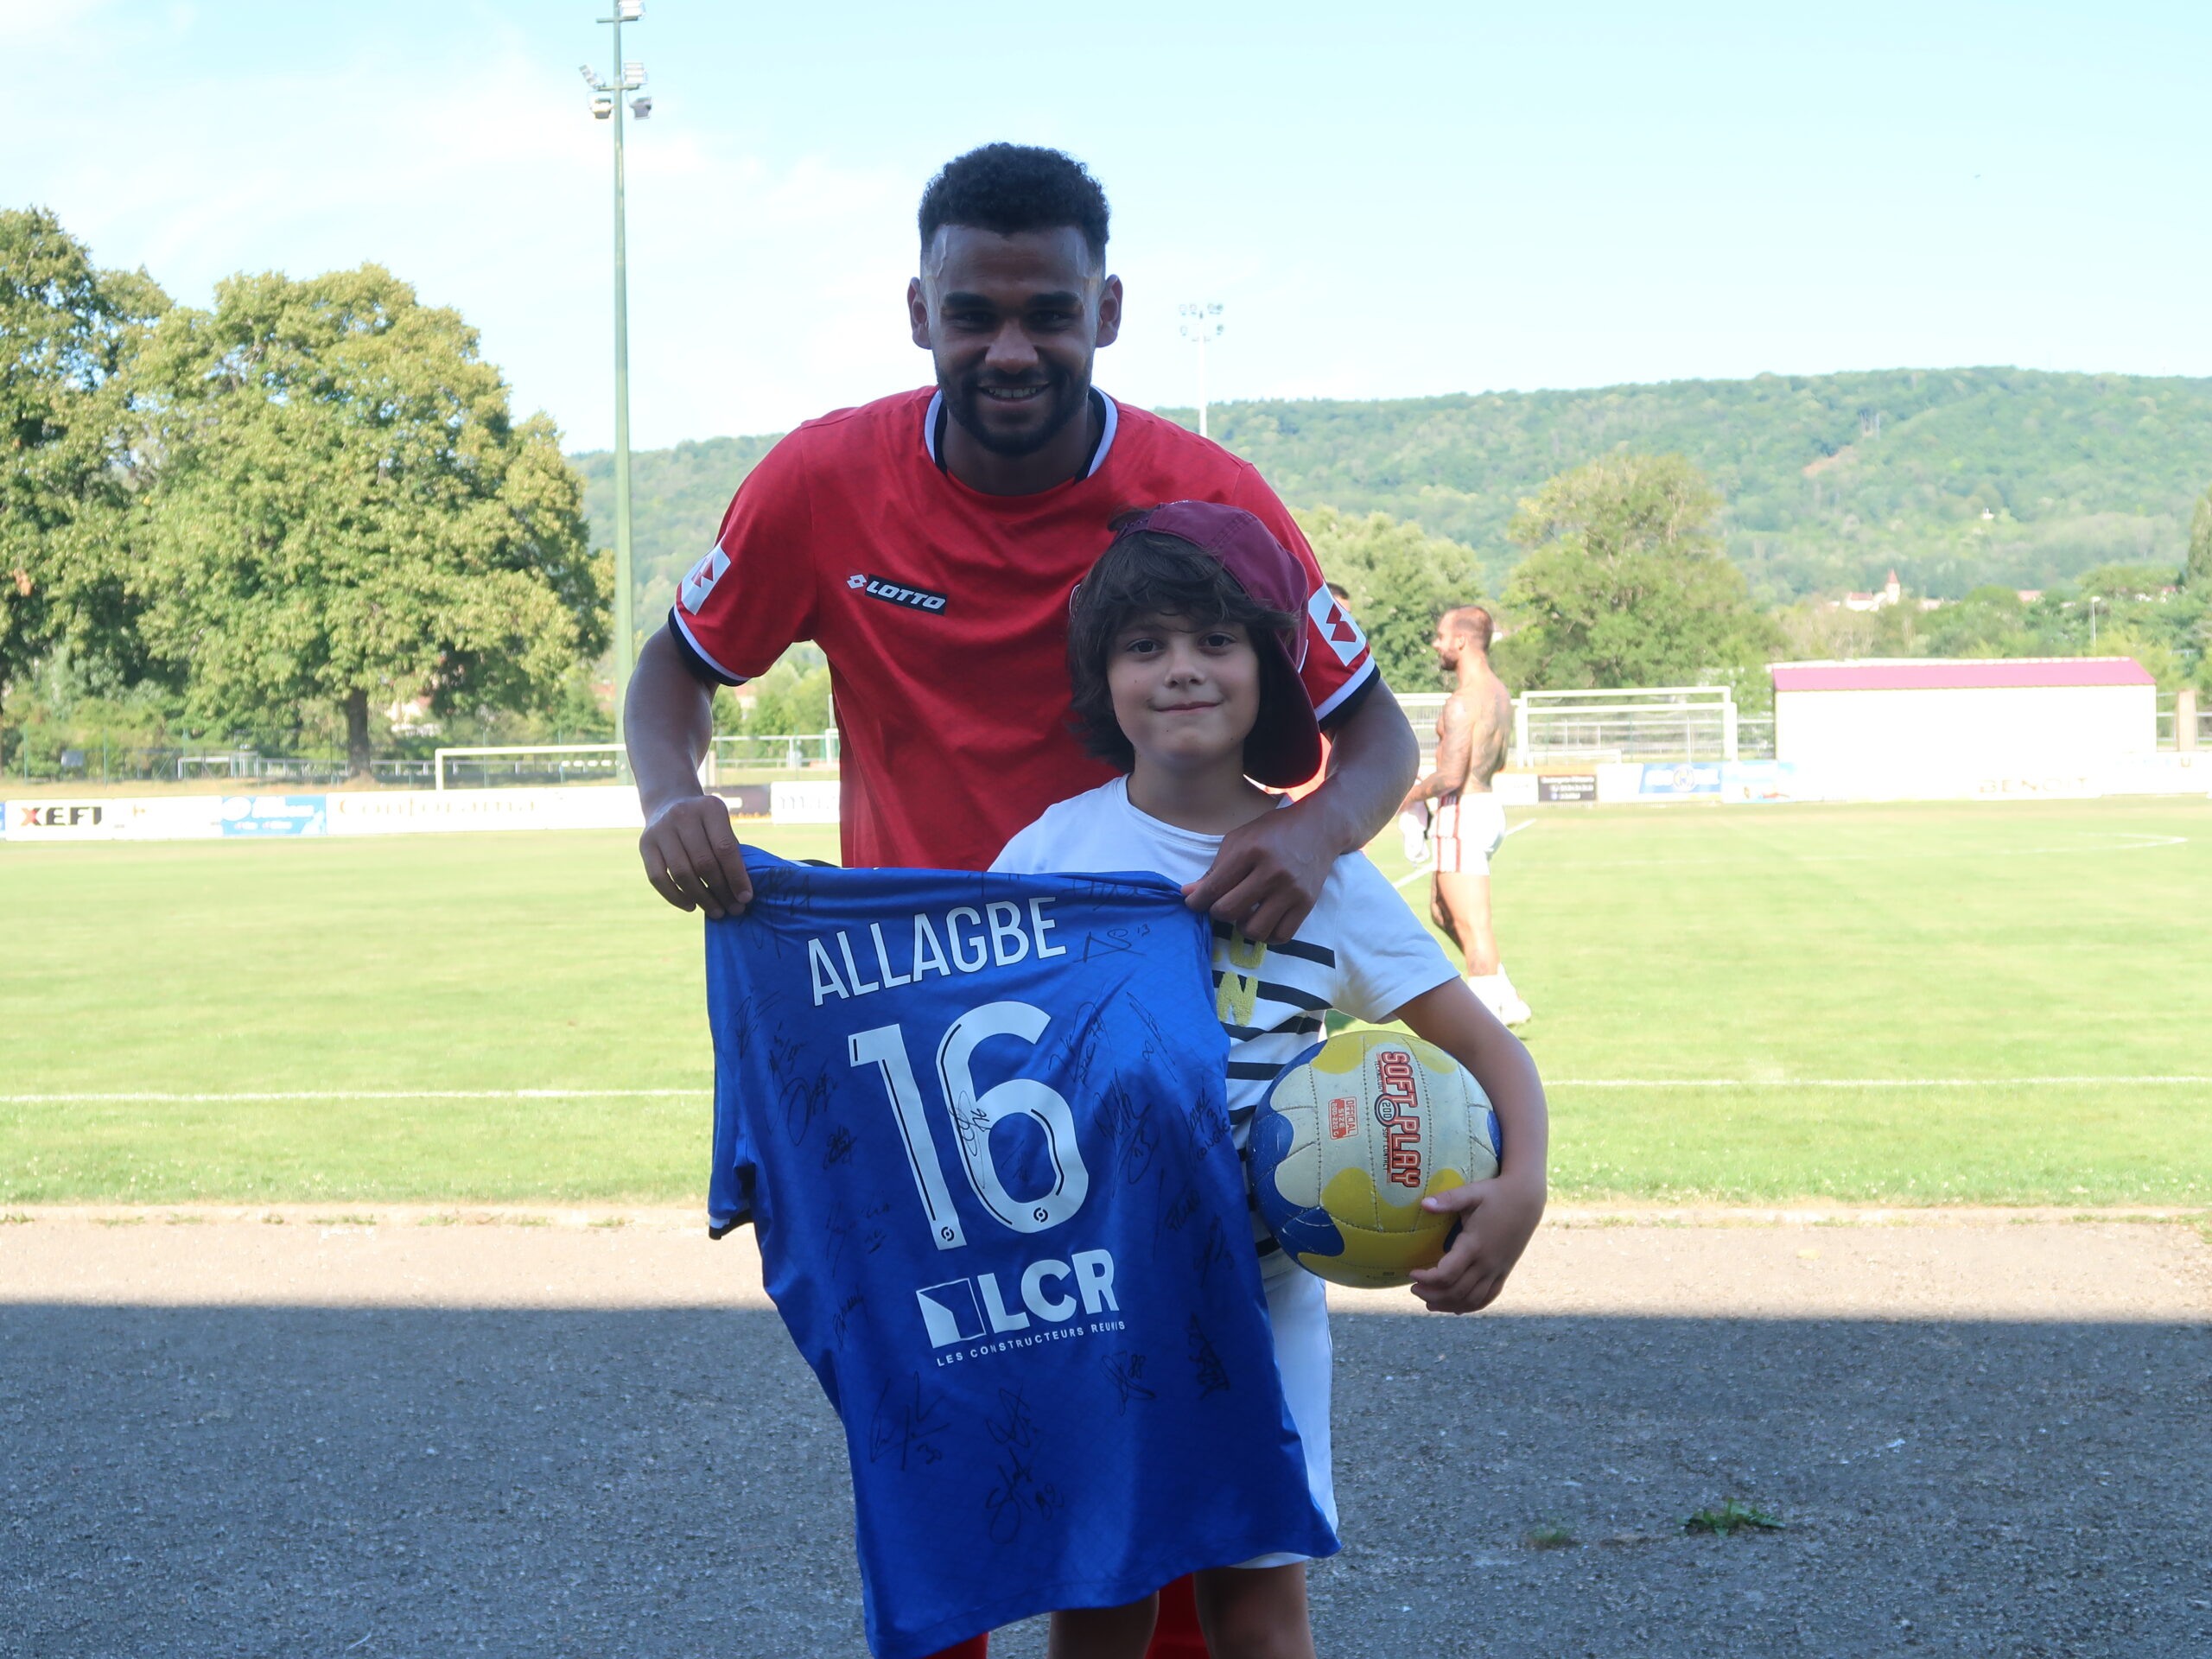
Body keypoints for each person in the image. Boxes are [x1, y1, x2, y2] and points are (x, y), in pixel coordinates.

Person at [622, 145, 1421, 1659]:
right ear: (916, 309)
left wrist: (1313, 841)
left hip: (1146, 1054)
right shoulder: (821, 479)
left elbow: (1374, 730)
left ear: (1107, 310)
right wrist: (673, 799)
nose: (1009, 347)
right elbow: (674, 673)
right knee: (952, 1465)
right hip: (922, 1054)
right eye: (971, 311)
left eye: (1047, 312)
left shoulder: (1205, 494)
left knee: (1172, 1495)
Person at [990, 504, 1549, 1659]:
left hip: (1266, 1298)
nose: (1182, 669)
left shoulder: (1325, 875)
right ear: (1104, 678)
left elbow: (1491, 1050)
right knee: (1100, 1596)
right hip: (1094, 1296)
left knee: (1258, 1603)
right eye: (1145, 646)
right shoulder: (1048, 857)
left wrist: (1524, 1183)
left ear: (1269, 670)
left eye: (1214, 641)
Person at [1401, 605, 1530, 1025]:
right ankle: (1503, 992)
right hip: (1488, 807)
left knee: (1473, 926)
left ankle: (1489, 1021)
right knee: (1443, 911)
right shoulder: (1499, 693)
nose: (1436, 645)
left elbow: (1451, 776)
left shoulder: (1461, 702)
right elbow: (1499, 759)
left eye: (1440, 636)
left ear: (1460, 641)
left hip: (1462, 812)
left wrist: (1411, 797)